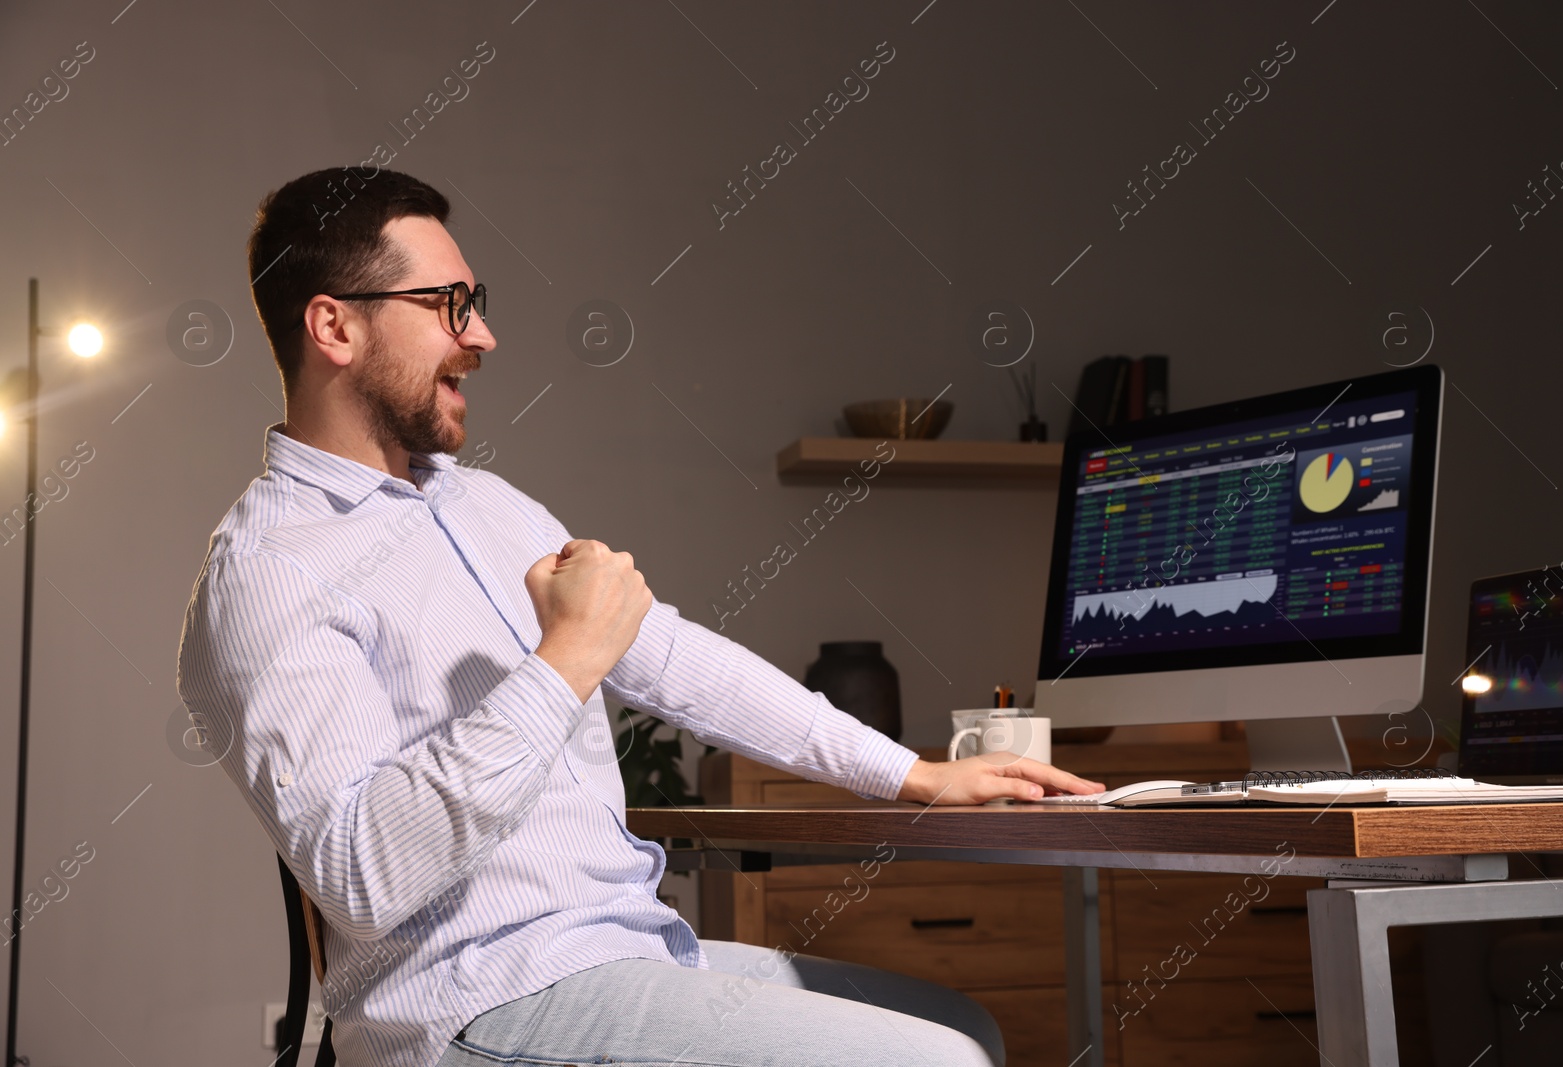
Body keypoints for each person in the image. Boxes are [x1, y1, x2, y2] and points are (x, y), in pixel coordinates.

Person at [175, 167, 1103, 1067]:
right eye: (449, 306)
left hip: (623, 949)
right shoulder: (270, 572)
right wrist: (564, 658)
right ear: (334, 325)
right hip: (474, 1000)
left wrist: (914, 776)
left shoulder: (484, 504)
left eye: (477, 301)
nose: (484, 336)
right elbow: (360, 872)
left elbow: (674, 657)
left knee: (965, 1026)